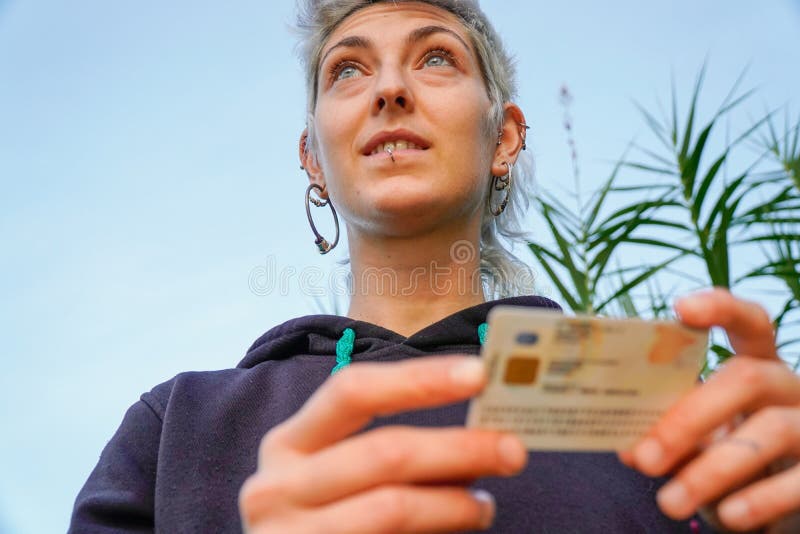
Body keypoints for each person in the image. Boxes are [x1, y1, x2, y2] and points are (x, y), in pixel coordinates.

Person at [70, 1, 800, 532]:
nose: (391, 90)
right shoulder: (176, 427)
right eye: (347, 69)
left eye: (436, 57)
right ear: (311, 158)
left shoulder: (646, 401)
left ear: (504, 136)